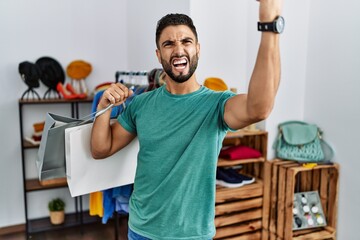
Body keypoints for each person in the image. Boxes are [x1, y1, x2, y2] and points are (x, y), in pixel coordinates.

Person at [91, 0, 283, 239]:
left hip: (192, 235)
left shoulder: (216, 105)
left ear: (198, 49)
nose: (178, 49)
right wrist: (103, 107)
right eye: (169, 44)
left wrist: (270, 27)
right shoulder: (141, 104)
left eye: (186, 41)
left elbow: (260, 108)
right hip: (141, 231)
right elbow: (101, 149)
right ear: (159, 54)